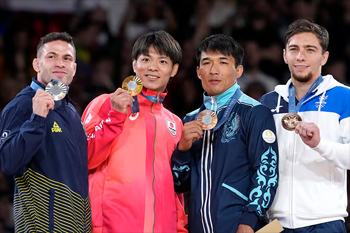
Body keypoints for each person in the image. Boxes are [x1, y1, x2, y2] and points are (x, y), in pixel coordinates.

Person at [81, 30, 187, 233]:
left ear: (174, 70)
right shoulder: (105, 103)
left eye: (163, 62)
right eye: (146, 59)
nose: (153, 67)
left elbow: (176, 186)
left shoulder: (175, 123)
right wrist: (115, 116)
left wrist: (178, 226)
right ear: (134, 64)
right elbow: (84, 158)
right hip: (110, 227)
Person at [171, 34, 279, 233]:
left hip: (239, 227)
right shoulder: (190, 120)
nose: (213, 70)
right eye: (207, 63)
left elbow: (266, 170)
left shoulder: (254, 112)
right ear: (198, 71)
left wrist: (249, 220)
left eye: (223, 62)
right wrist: (182, 150)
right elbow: (180, 184)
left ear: (238, 70)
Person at [259, 19, 350, 233]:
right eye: (294, 49)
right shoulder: (268, 103)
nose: (300, 57)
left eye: (310, 50)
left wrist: (320, 144)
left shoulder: (344, 97)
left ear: (324, 57)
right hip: (274, 224)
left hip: (324, 221)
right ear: (284, 55)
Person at [0, 32, 91, 232]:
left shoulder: (71, 111)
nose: (60, 63)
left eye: (67, 58)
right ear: (36, 64)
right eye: (52, 56)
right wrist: (36, 120)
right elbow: (8, 162)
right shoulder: (22, 105)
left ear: (74, 69)